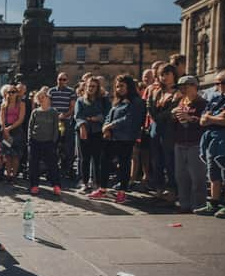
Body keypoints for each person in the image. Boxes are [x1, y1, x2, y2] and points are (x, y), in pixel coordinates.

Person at [195, 70, 225, 219]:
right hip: (212, 138)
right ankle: (213, 203)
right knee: (213, 172)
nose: (219, 86)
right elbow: (202, 120)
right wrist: (216, 117)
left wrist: (211, 118)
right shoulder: (214, 98)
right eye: (217, 83)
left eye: (223, 82)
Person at [89, 75, 145, 204]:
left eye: (122, 86)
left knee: (124, 165)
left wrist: (110, 126)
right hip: (111, 137)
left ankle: (122, 192)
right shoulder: (117, 101)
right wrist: (106, 127)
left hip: (126, 138)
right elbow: (109, 115)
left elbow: (129, 119)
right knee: (104, 162)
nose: (119, 89)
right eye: (117, 86)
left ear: (129, 87)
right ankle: (102, 189)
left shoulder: (137, 101)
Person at [171, 76, 207, 213]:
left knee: (197, 177)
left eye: (185, 87)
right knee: (181, 176)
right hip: (179, 143)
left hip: (195, 143)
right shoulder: (181, 102)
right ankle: (184, 204)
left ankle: (199, 205)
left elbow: (205, 123)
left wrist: (190, 118)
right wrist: (173, 116)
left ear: (194, 86)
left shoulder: (203, 103)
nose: (182, 90)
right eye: (180, 87)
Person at [147, 63, 181, 202]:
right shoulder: (156, 91)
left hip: (170, 130)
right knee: (156, 161)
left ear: (174, 75)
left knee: (169, 161)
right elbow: (149, 105)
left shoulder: (178, 92)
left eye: (167, 74)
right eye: (162, 74)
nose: (164, 77)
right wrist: (155, 116)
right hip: (155, 129)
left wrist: (159, 117)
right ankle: (159, 190)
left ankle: (173, 191)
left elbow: (173, 109)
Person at [74, 77, 109, 193]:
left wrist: (97, 118)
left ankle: (98, 183)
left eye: (93, 86)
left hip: (98, 131)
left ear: (97, 87)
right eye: (89, 86)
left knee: (97, 159)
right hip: (84, 131)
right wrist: (83, 125)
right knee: (85, 158)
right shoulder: (80, 100)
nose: (91, 88)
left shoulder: (103, 100)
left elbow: (108, 114)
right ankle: (84, 182)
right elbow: (78, 115)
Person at [28, 86, 60, 196]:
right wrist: (30, 139)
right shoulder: (35, 112)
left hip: (49, 142)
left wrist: (54, 141)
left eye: (43, 97)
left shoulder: (53, 112)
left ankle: (56, 185)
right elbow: (30, 127)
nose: (41, 99)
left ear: (48, 98)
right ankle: (34, 185)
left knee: (52, 164)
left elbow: (56, 128)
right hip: (35, 141)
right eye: (39, 97)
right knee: (34, 165)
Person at [48, 72, 77, 178]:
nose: (62, 81)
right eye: (60, 79)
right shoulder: (51, 91)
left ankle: (66, 169)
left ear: (67, 81)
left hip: (66, 121)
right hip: (53, 122)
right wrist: (55, 116)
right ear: (57, 80)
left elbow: (72, 107)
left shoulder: (71, 91)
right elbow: (49, 105)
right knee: (53, 146)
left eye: (64, 79)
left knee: (67, 146)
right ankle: (52, 169)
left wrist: (64, 115)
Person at [0, 84, 26, 182]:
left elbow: (21, 119)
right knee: (7, 153)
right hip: (6, 130)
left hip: (16, 130)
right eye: (9, 92)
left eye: (13, 92)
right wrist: (4, 128)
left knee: (16, 154)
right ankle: (8, 174)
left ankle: (14, 175)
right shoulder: (4, 104)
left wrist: (10, 128)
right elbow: (1, 118)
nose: (11, 94)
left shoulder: (21, 104)